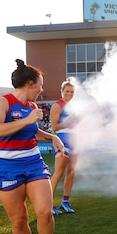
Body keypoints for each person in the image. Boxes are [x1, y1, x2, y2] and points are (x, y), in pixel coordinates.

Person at [0, 59, 65, 234]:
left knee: (45, 212)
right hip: (6, 167)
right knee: (19, 220)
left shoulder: (32, 107)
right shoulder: (2, 102)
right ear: (30, 83)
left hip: (33, 163)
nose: (42, 90)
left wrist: (52, 137)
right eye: (40, 84)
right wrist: (27, 119)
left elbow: (31, 131)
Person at [49, 78, 81, 215]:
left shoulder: (75, 107)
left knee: (71, 172)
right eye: (67, 91)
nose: (70, 94)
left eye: (72, 91)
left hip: (74, 140)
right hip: (62, 140)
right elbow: (55, 127)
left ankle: (65, 202)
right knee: (59, 172)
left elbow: (77, 124)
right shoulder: (57, 106)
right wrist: (70, 120)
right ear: (61, 91)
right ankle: (49, 204)